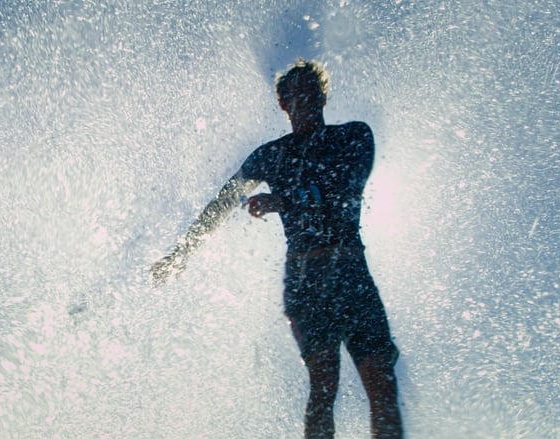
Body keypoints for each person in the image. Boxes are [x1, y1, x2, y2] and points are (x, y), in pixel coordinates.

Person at [151, 59, 403, 438]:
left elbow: (343, 191)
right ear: (283, 104)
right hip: (306, 279)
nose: (302, 98)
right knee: (323, 387)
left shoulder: (352, 137)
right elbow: (221, 205)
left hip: (351, 274)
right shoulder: (271, 155)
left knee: (381, 384)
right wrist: (181, 254)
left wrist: (284, 201)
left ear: (322, 95)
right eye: (293, 94)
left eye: (309, 90)